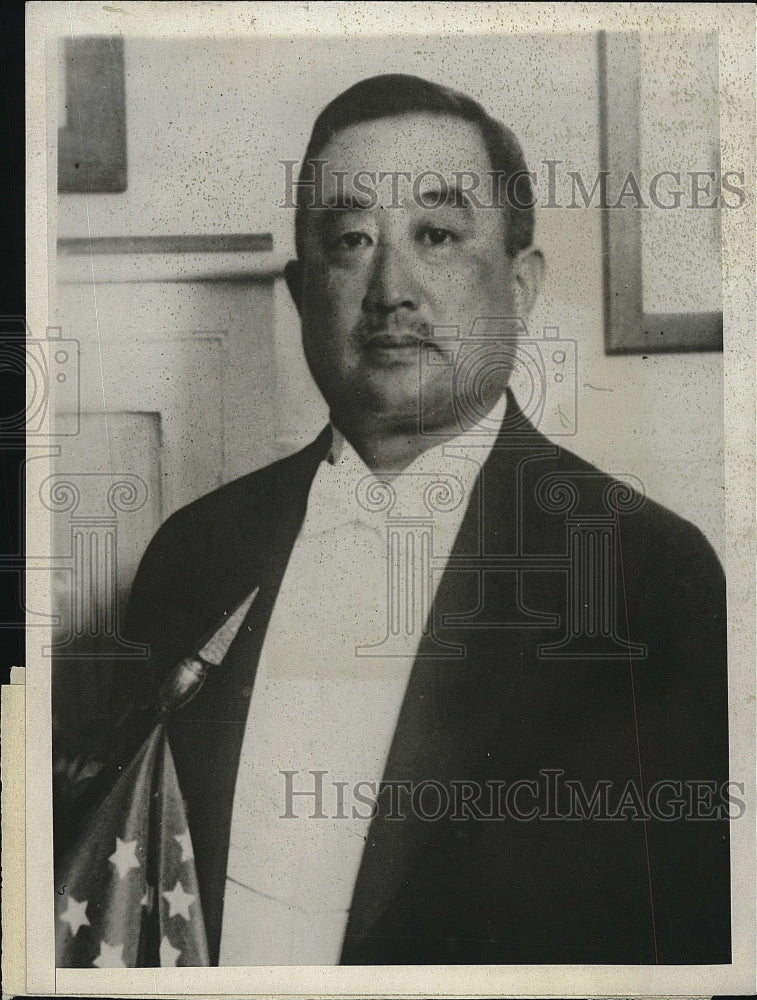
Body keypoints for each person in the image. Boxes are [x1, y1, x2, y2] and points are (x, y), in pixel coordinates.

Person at [120, 74, 731, 966]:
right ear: (299, 293)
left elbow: (688, 937)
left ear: (520, 287)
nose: (390, 289)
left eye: (437, 236)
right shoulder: (195, 550)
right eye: (350, 239)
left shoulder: (648, 573)